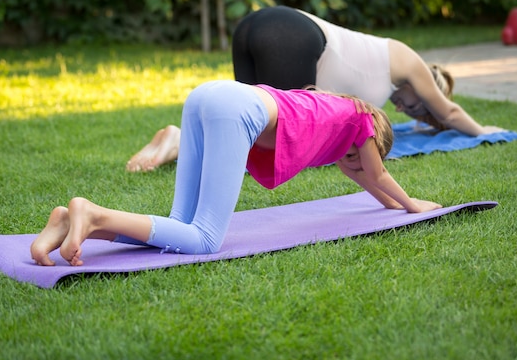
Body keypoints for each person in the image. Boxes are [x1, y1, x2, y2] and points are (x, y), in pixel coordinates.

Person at [31, 80, 442, 266]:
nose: (355, 166)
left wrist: (391, 205)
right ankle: (95, 213)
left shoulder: (336, 121)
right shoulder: (363, 119)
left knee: (181, 227)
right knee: (206, 240)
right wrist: (412, 205)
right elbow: (378, 175)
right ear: (371, 141)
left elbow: (369, 181)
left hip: (208, 94)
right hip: (235, 109)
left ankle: (71, 223)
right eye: (359, 157)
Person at [126, 6, 504, 172]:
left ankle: (179, 138)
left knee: (248, 132)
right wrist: (485, 131)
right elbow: (449, 113)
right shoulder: (409, 60)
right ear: (429, 86)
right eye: (421, 107)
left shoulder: (381, 82)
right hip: (290, 34)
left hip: (261, 28)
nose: (409, 111)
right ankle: (178, 142)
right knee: (276, 141)